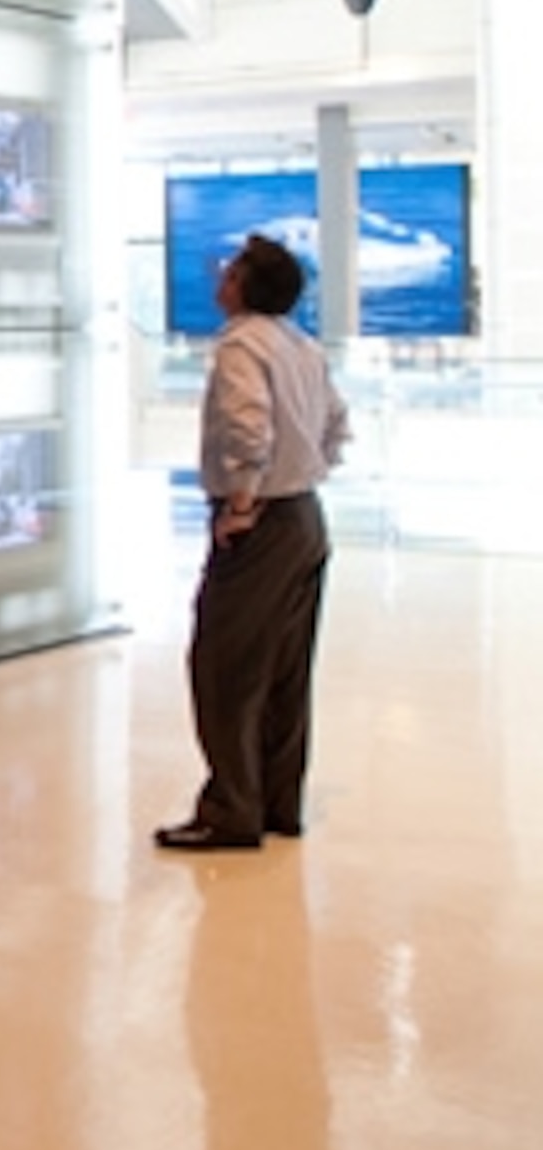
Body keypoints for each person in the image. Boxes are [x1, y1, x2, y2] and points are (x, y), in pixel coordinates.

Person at [156, 231, 350, 853]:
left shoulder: (241, 345)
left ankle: (231, 810)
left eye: (231, 267)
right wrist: (302, 470)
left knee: (225, 666)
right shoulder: (302, 345)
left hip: (262, 522)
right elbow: (338, 426)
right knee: (285, 671)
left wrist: (242, 500)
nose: (221, 274)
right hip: (306, 519)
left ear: (243, 284)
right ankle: (276, 803)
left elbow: (248, 426)